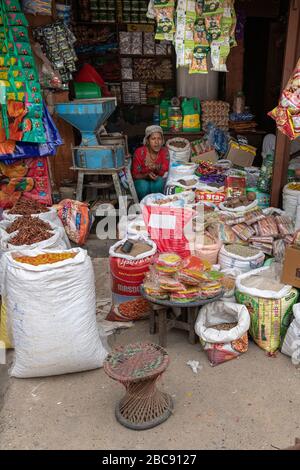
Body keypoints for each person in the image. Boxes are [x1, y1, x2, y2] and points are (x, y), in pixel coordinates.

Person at [132, 125, 169, 201]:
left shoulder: (164, 151)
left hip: (157, 178)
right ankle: (143, 207)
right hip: (141, 179)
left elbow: (165, 169)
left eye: (159, 139)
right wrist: (146, 176)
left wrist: (155, 167)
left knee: (158, 183)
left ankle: (157, 206)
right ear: (147, 141)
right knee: (143, 186)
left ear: (162, 141)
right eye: (153, 139)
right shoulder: (139, 152)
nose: (157, 142)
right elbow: (135, 175)